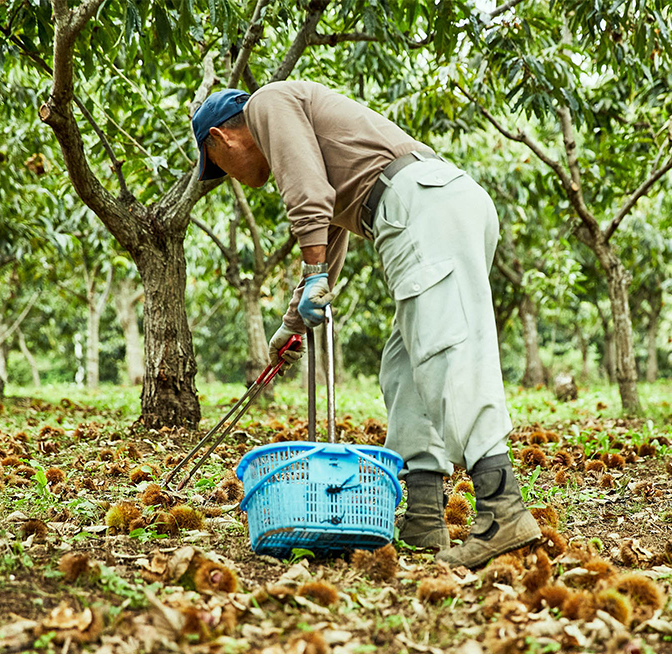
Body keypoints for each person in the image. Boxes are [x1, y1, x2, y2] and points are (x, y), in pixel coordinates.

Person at [191, 81, 540, 569]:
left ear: (218, 140)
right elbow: (328, 237)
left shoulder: (266, 103)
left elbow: (307, 192)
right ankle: (423, 516)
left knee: (446, 352)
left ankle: (502, 508)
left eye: (216, 168)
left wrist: (313, 276)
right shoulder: (306, 134)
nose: (226, 176)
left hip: (421, 205)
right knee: (405, 368)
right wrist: (292, 325)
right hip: (429, 204)